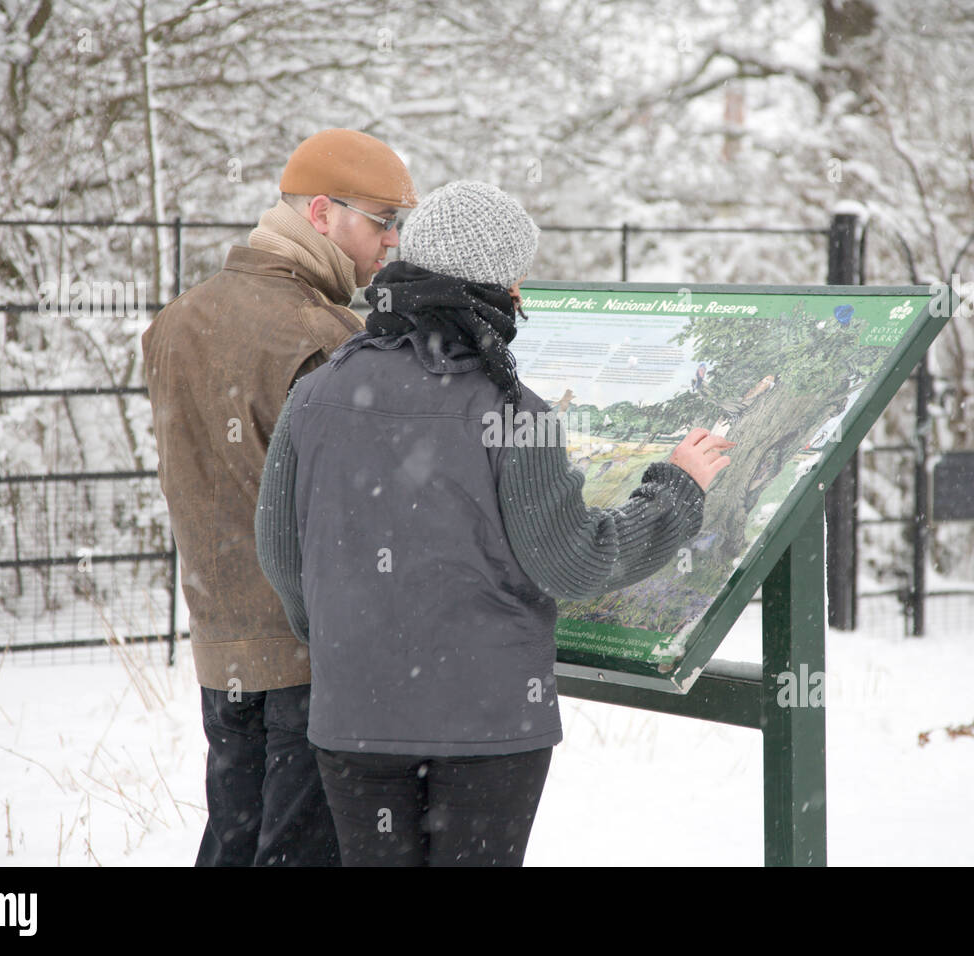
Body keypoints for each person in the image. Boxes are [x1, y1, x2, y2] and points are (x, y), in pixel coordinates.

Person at [255, 181, 733, 866]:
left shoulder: (317, 393)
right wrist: (675, 491)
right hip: (486, 730)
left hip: (353, 719)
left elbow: (278, 550)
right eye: (517, 276)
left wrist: (336, 632)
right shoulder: (516, 414)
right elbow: (576, 563)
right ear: (496, 284)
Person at [142, 129, 417, 866]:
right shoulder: (330, 337)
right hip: (313, 656)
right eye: (381, 220)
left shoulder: (177, 320)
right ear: (322, 213)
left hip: (222, 646)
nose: (392, 242)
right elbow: (370, 517)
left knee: (232, 841)